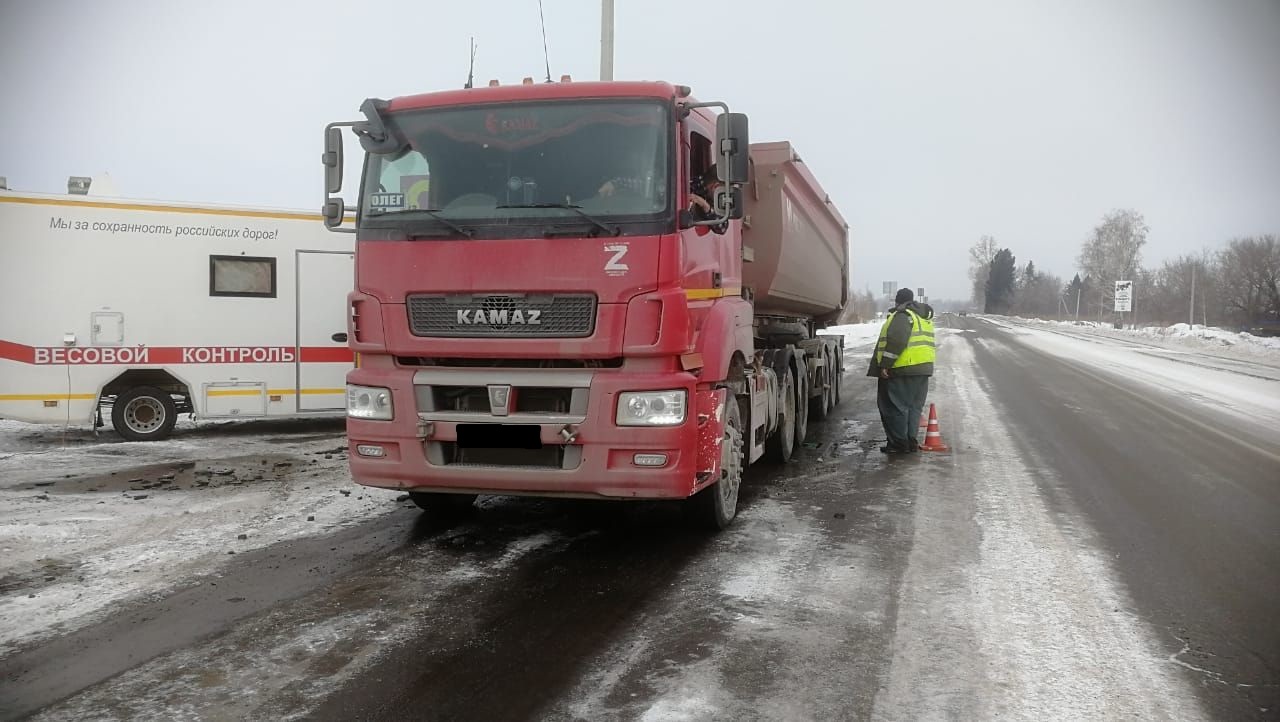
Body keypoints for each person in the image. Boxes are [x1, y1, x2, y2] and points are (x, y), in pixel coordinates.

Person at [867, 288, 936, 454]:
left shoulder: (903, 316)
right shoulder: (921, 317)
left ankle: (898, 443)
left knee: (895, 407)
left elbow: (897, 340)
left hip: (903, 369)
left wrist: (886, 364)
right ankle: (910, 441)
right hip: (922, 369)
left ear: (898, 302)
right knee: (913, 407)